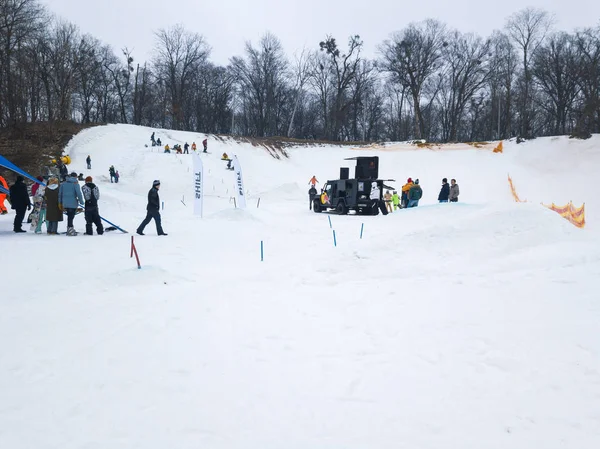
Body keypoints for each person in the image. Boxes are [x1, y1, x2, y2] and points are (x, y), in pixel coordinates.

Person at [59, 172, 84, 236]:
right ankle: (70, 229)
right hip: (73, 203)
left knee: (70, 216)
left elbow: (60, 194)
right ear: (76, 177)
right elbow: (79, 193)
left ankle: (69, 228)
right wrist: (81, 202)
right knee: (71, 216)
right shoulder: (75, 184)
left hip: (65, 203)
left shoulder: (63, 184)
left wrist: (60, 202)